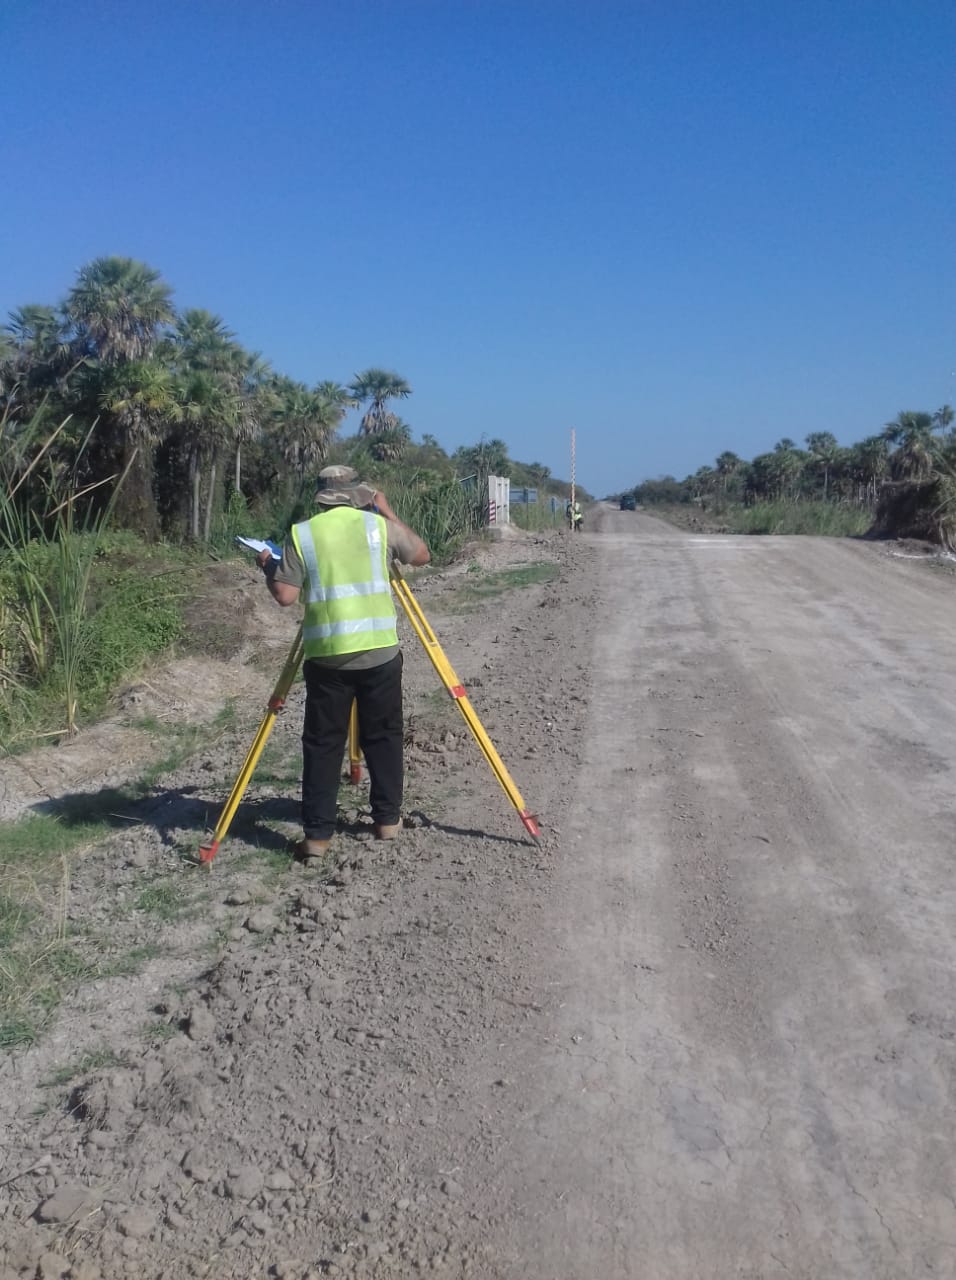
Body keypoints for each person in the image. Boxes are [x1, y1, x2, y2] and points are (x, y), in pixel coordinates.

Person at [257, 465, 430, 862]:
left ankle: (317, 837)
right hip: (380, 652)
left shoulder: (304, 533)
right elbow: (421, 554)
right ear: (358, 494)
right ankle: (387, 821)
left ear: (321, 497)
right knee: (384, 736)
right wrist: (386, 511)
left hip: (327, 657)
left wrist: (269, 565)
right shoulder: (377, 528)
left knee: (323, 745)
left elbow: (285, 595)